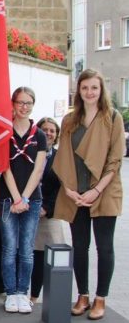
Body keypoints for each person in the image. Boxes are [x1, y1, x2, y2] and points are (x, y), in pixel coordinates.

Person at [53, 69, 125, 320]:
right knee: (80, 246)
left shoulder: (112, 118)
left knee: (104, 247)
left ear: (101, 90)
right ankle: (82, 295)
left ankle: (101, 298)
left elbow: (115, 161)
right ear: (78, 91)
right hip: (76, 193)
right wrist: (70, 189)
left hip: (103, 191)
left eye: (94, 88)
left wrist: (96, 190)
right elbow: (62, 156)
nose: (89, 92)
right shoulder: (70, 120)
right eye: (85, 88)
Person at [0, 87, 47, 314]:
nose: (24, 107)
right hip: (9, 198)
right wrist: (16, 198)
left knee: (26, 249)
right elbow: (4, 167)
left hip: (32, 200)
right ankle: (10, 293)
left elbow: (38, 170)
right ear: (13, 104)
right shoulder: (4, 132)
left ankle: (22, 292)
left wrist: (25, 198)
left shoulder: (39, 135)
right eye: (20, 102)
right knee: (9, 248)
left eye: (28, 103)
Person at [30, 117, 66, 304]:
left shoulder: (60, 157)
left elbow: (63, 186)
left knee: (48, 258)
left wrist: (47, 208)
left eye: (52, 130)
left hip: (49, 214)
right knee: (28, 256)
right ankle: (25, 293)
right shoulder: (29, 151)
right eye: (45, 129)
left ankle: (40, 297)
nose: (49, 133)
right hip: (28, 209)